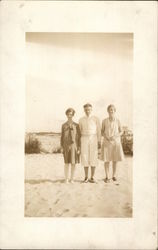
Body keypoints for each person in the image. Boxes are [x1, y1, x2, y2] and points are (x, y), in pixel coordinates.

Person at [100, 104, 124, 183]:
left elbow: (121, 131)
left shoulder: (118, 120)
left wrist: (115, 136)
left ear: (115, 111)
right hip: (107, 142)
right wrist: (106, 136)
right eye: (110, 110)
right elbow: (102, 132)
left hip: (116, 142)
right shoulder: (104, 121)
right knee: (107, 160)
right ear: (108, 111)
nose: (111, 111)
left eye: (113, 110)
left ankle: (114, 176)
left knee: (115, 160)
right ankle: (107, 176)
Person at [79, 103, 101, 183]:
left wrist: (99, 141)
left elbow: (99, 131)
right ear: (84, 110)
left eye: (89, 109)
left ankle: (92, 177)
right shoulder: (81, 119)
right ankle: (86, 177)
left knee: (93, 157)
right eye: (86, 110)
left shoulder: (96, 118)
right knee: (85, 156)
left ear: (91, 110)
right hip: (84, 138)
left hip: (93, 138)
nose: (87, 111)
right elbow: (80, 130)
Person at [60, 108, 80, 183]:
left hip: (74, 145)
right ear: (66, 115)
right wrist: (61, 147)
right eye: (68, 114)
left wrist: (79, 148)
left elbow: (79, 137)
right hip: (65, 145)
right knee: (66, 162)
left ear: (73, 115)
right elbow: (62, 137)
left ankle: (72, 178)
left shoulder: (76, 125)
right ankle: (66, 178)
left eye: (71, 114)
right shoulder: (64, 125)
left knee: (73, 162)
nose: (70, 116)